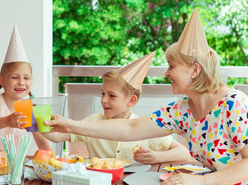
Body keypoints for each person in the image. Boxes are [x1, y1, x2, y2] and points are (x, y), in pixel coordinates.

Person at [46, 8, 248, 185]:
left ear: (195, 70)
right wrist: (71, 125)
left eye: (172, 66)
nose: (166, 73)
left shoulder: (235, 104)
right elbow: (131, 128)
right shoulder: (182, 110)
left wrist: (200, 182)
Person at [42, 66, 190, 164]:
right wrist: (34, 121)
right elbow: (57, 137)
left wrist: (156, 157)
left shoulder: (144, 129)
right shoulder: (92, 122)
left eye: (111, 95)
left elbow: (184, 152)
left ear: (131, 100)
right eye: (102, 93)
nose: (103, 100)